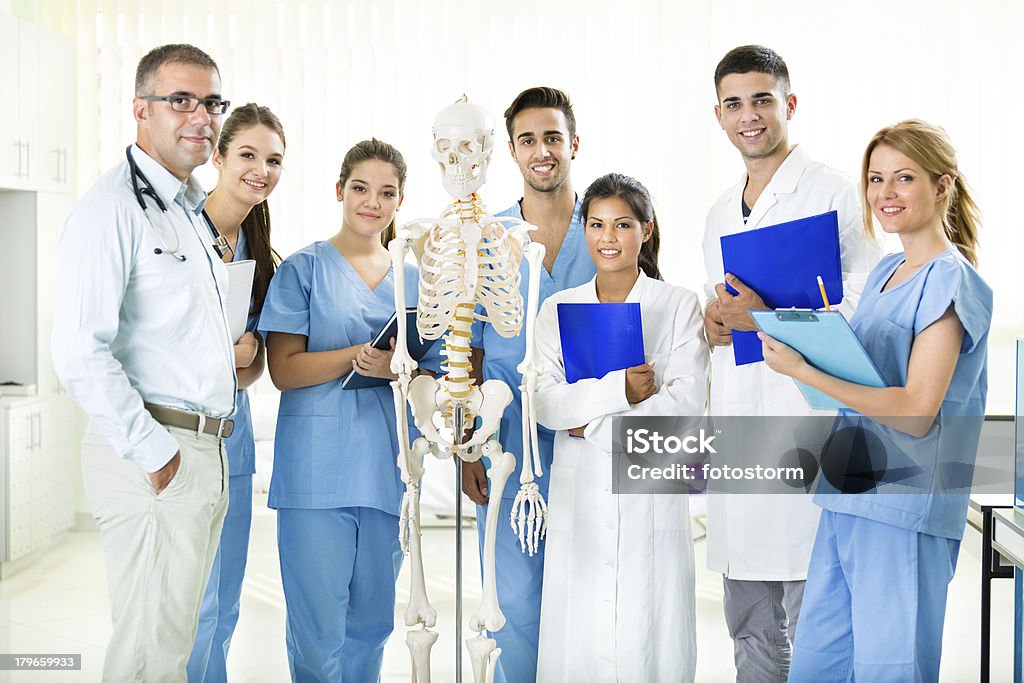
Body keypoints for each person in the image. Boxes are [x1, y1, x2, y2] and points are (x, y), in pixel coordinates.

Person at [761, 119, 991, 682]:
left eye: (904, 178)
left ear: (943, 188)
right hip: (847, 489)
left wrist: (804, 364)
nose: (885, 194)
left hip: (905, 503)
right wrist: (811, 343)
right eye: (876, 178)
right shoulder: (889, 270)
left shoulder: (951, 281)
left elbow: (915, 411)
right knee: (820, 662)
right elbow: (860, 379)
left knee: (891, 667)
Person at [51, 44, 235, 681]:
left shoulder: (186, 210)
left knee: (169, 647)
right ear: (139, 109)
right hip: (156, 452)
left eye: (212, 102)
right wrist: (156, 455)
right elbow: (78, 349)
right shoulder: (111, 210)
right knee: (148, 655)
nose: (201, 116)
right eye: (180, 100)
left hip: (200, 451)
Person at [700, 44, 881, 681]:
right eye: (733, 104)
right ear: (718, 115)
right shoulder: (720, 211)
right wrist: (717, 322)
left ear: (789, 104)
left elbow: (865, 305)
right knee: (747, 620)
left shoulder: (838, 193)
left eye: (762, 100)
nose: (748, 116)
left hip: (807, 426)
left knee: (817, 617)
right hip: (739, 429)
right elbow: (724, 313)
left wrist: (763, 316)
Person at [259, 139, 423, 681]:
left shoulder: (413, 278)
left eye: (386, 192)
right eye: (360, 188)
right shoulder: (303, 269)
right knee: (317, 628)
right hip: (316, 475)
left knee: (372, 624)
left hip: (386, 472)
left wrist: (402, 370)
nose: (371, 202)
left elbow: (435, 369)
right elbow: (284, 369)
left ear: (399, 201)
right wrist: (354, 357)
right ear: (339, 191)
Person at [533, 173, 708, 682]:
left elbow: (685, 405)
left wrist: (588, 425)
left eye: (622, 224)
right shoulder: (558, 309)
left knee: (649, 630)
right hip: (580, 495)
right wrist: (621, 392)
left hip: (648, 490)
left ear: (646, 230)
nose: (607, 237)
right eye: (596, 224)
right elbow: (544, 402)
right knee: (579, 634)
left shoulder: (677, 306)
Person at [462, 86, 596, 683]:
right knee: (514, 598)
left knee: (593, 590)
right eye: (527, 140)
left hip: (593, 429)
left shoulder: (607, 227)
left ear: (574, 143)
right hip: (508, 436)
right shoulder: (485, 238)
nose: (542, 151)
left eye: (552, 137)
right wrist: (470, 440)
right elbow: (468, 345)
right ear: (512, 151)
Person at [187, 103, 286, 682]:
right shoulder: (180, 233)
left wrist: (240, 361)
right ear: (218, 156)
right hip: (184, 432)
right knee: (188, 602)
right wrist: (230, 356)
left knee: (224, 600)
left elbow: (253, 367)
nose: (261, 170)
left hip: (234, 435)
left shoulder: (257, 246)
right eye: (247, 155)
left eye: (273, 160)